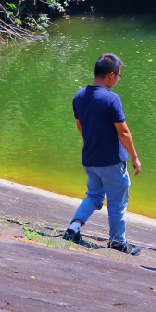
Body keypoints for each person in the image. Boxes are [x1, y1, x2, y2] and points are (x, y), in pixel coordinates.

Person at [62, 53, 142, 255]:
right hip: (111, 161)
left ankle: (73, 228)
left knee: (94, 195)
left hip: (90, 159)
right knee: (117, 201)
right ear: (111, 75)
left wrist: (91, 144)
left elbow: (80, 126)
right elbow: (123, 132)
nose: (117, 79)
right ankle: (117, 242)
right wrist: (134, 156)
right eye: (119, 76)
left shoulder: (79, 96)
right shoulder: (111, 98)